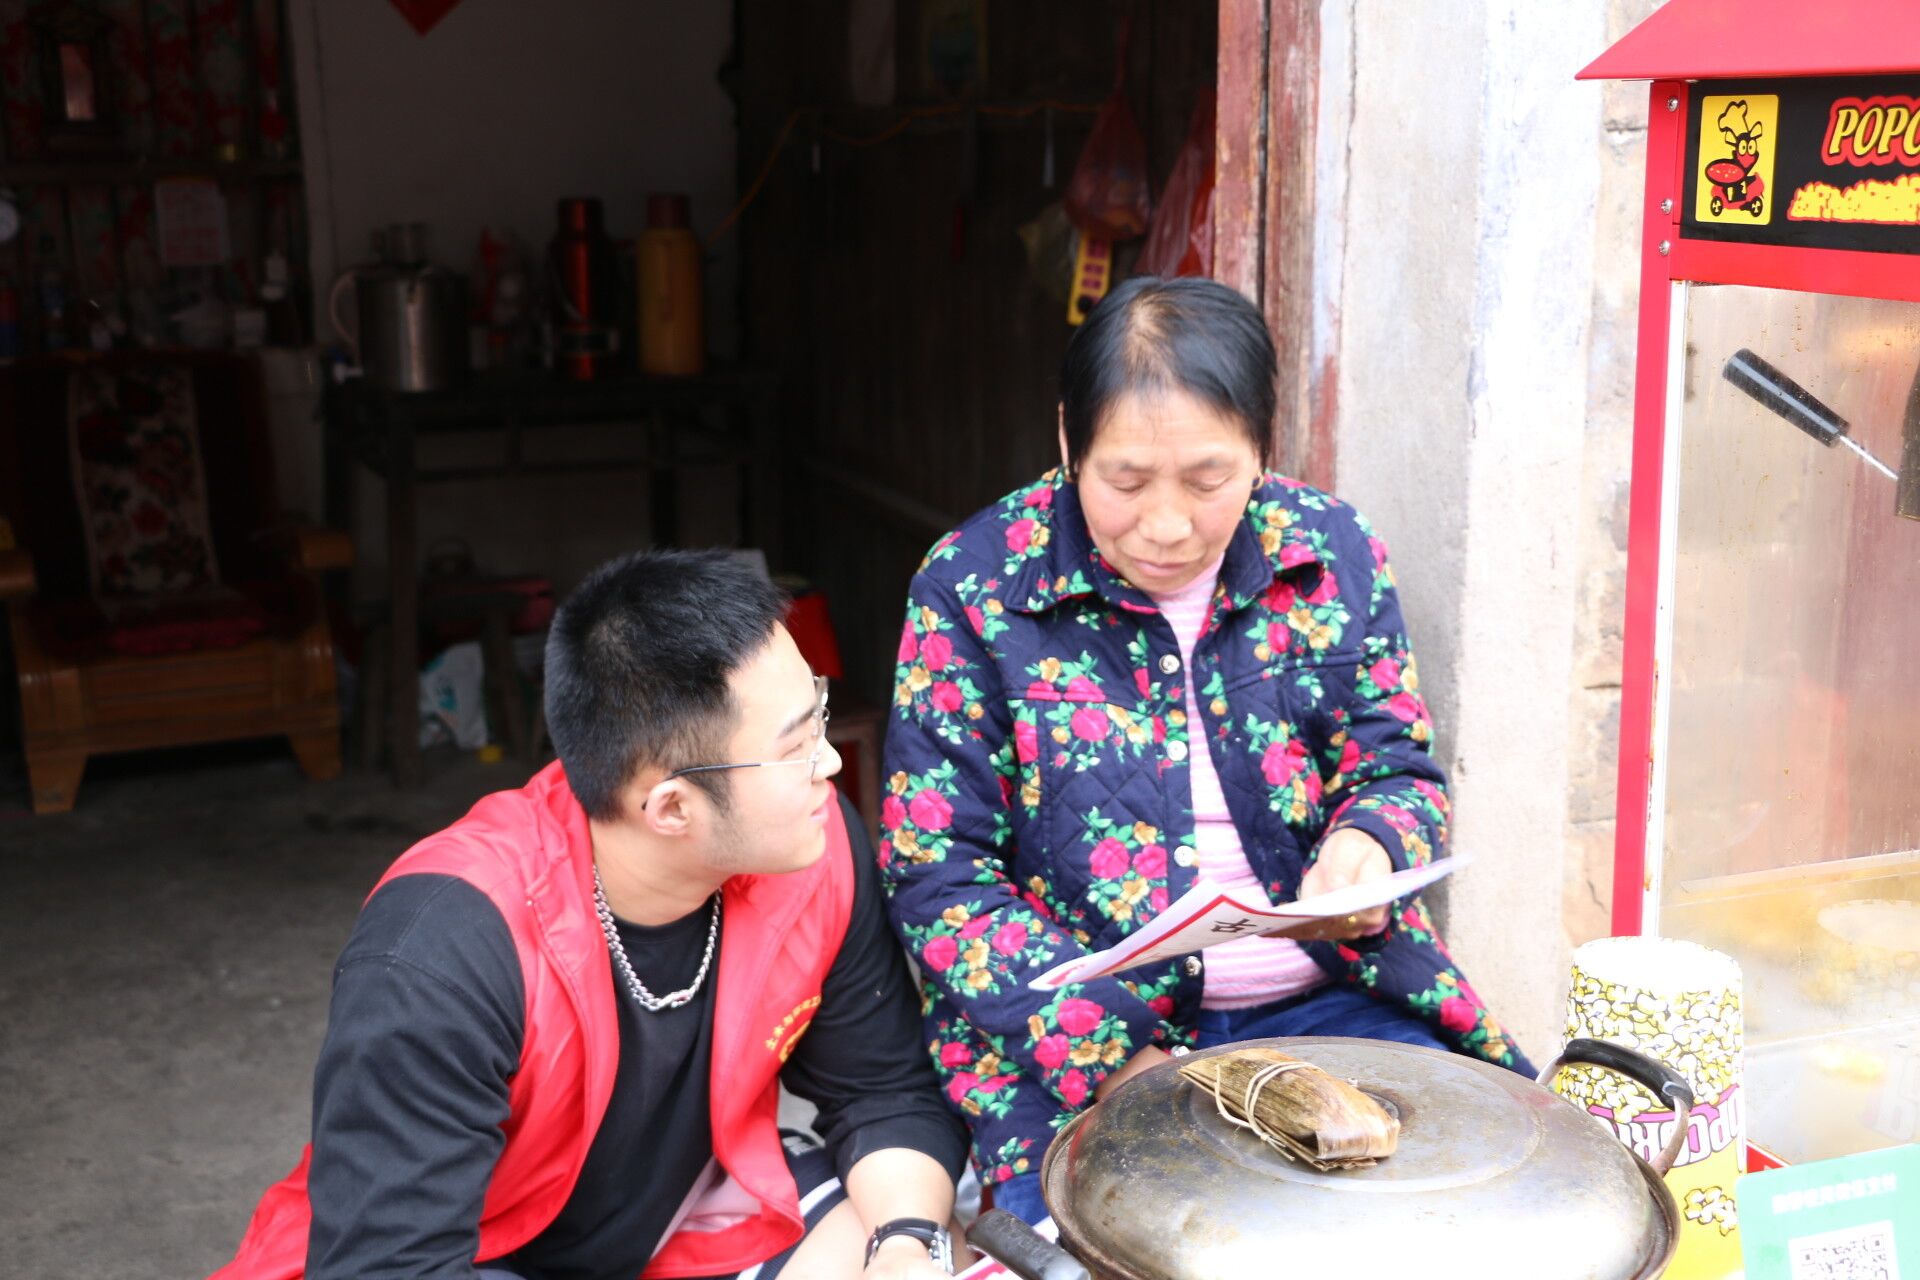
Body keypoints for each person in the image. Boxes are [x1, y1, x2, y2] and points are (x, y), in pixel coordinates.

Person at [879, 277, 1535, 1223]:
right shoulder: (975, 586)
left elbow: (1396, 763)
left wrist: (1370, 844)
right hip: (1081, 1049)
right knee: (1141, 1244)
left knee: (1467, 1216)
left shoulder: (1331, 550)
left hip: (1336, 1008)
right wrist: (1123, 1060)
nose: (1166, 525)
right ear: (1068, 441)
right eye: (1125, 481)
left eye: (1207, 479)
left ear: (1263, 446)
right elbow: (937, 876)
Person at [217, 550, 969, 1280]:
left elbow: (882, 1091)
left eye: (818, 717)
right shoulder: (442, 951)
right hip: (468, 1254)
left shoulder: (809, 846)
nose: (829, 763)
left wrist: (905, 1247)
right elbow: (390, 1265)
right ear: (670, 808)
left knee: (926, 1240)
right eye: (797, 745)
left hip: (672, 1222)